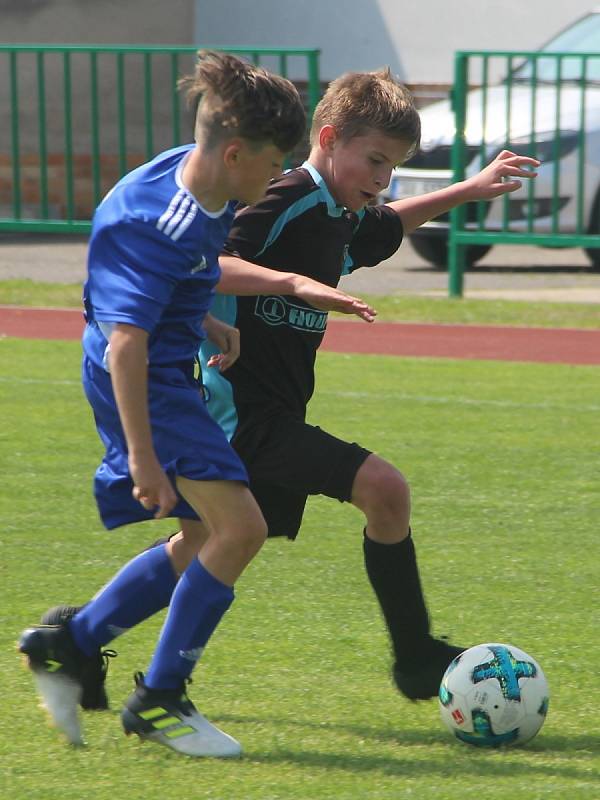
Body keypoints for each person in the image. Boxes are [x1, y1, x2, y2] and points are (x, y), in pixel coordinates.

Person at [34, 66, 539, 740]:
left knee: (204, 542)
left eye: (393, 167)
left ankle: (74, 638)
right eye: (377, 161)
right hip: (237, 413)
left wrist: (469, 189)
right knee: (380, 490)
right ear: (328, 140)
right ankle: (409, 659)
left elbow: (381, 227)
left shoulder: (337, 211)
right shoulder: (286, 195)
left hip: (271, 409)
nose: (384, 180)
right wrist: (292, 283)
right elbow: (212, 261)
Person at [18, 50, 377, 758]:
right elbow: (125, 343)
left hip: (162, 361)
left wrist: (201, 318)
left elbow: (181, 274)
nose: (278, 178)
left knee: (201, 539)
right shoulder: (164, 224)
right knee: (239, 529)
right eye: (274, 163)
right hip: (142, 384)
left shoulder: (204, 176)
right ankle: (158, 701)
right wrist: (144, 459)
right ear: (237, 151)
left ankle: (71, 642)